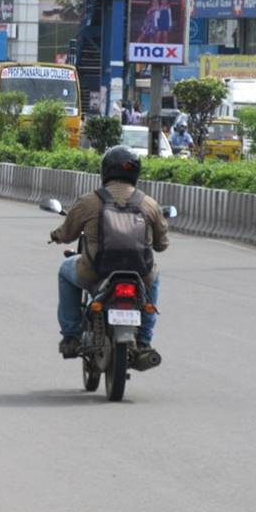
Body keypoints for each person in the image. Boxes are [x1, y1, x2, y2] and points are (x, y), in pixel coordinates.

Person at [48, 145, 169, 358]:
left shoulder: (89, 201)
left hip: (95, 272)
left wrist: (55, 235)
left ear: (105, 171)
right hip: (140, 274)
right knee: (154, 279)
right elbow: (162, 244)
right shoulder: (149, 204)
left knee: (64, 270)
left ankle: (71, 336)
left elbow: (67, 233)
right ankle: (144, 341)